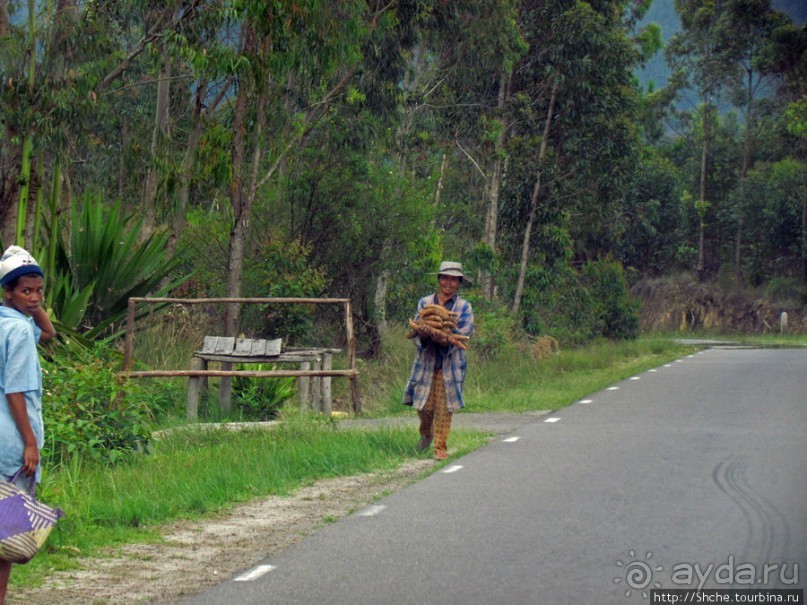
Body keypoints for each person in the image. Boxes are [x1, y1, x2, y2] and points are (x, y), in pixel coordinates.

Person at [0, 246, 56, 604]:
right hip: (12, 449)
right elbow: (15, 390)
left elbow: (48, 333)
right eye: (26, 291)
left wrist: (32, 304)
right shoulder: (19, 331)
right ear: (8, 292)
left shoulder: (9, 321)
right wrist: (30, 443)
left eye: (39, 291)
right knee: (6, 538)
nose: (34, 298)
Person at [403, 261, 473, 460]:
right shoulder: (425, 303)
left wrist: (445, 337)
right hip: (426, 362)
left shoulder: (464, 308)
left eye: (453, 279)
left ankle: (440, 447)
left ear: (459, 283)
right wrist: (425, 333)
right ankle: (427, 433)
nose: (448, 283)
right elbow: (417, 327)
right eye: (445, 278)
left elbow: (465, 333)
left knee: (444, 407)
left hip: (449, 365)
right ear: (439, 280)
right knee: (423, 405)